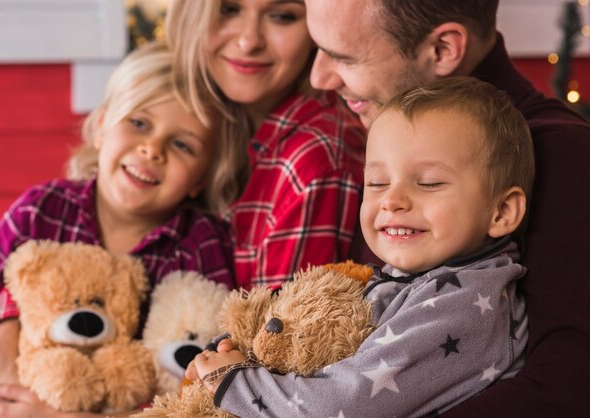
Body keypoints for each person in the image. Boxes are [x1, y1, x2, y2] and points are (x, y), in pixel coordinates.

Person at [304, 0, 590, 415]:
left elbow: (566, 383)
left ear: (442, 49)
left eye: (343, 56)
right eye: (378, 183)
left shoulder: (564, 157)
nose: (318, 76)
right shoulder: (385, 150)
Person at [189, 77, 534, 417]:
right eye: (377, 182)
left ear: (501, 212)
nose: (392, 200)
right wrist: (238, 350)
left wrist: (235, 382)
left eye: (429, 183)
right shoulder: (411, 277)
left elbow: (343, 406)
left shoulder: (467, 304)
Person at [0, 41, 239, 417]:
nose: (152, 150)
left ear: (200, 179)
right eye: (139, 123)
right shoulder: (41, 210)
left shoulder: (199, 245)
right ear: (101, 126)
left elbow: (202, 388)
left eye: (181, 145)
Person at [166, 0, 367, 290]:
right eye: (228, 9)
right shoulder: (195, 119)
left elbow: (283, 331)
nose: (249, 42)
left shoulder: (313, 159)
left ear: (317, 29)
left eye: (282, 16)